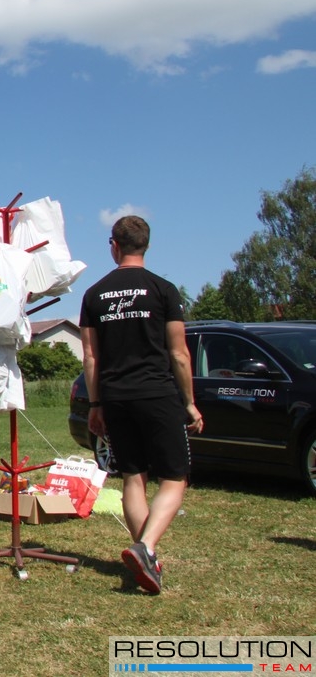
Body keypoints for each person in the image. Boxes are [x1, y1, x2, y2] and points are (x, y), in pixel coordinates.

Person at [80, 215, 202, 595]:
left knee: (134, 477)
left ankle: (146, 557)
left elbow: (90, 357)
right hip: (157, 394)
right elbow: (179, 353)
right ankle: (145, 547)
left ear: (114, 246)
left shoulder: (94, 294)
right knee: (175, 479)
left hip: (116, 397)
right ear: (146, 245)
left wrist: (95, 404)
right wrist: (190, 402)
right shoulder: (163, 290)